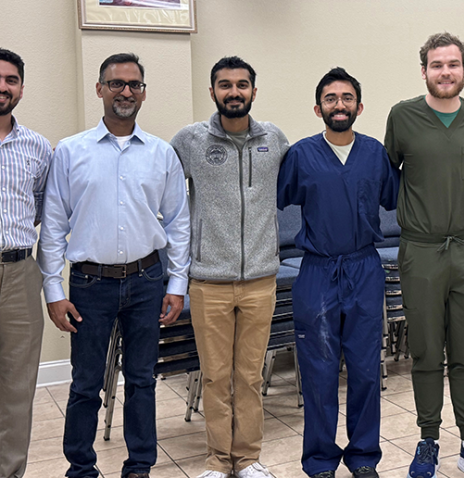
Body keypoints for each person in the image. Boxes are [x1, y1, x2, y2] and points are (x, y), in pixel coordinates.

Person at [37, 53, 190, 478]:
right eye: (117, 83)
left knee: (142, 380)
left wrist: (176, 284)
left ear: (143, 93)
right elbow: (52, 226)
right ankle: (81, 468)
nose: (126, 91)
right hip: (90, 284)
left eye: (134, 85)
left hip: (147, 282)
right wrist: (54, 291)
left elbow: (179, 223)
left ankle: (139, 465)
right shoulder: (70, 151)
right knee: (86, 384)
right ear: (100, 89)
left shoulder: (162, 154)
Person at [384, 32, 464, 478]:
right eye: (437, 65)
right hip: (422, 251)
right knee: (428, 351)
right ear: (424, 71)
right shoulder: (403, 116)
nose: (445, 72)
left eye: (453, 64)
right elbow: (387, 175)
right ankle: (428, 439)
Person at [277, 67, 399, 478]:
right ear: (318, 108)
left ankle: (364, 457)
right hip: (317, 272)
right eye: (331, 98)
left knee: (366, 369)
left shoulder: (375, 154)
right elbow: (277, 200)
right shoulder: (299, 155)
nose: (339, 105)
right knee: (319, 370)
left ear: (359, 106)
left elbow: (390, 199)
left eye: (347, 98)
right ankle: (321, 461)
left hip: (364, 267)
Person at [171, 56, 289, 478]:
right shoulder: (190, 141)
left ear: (254, 91)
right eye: (225, 85)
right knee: (217, 378)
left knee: (251, 377)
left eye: (242, 85)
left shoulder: (274, 139)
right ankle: (218, 461)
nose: (234, 92)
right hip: (209, 282)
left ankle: (249, 459)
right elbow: (166, 201)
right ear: (212, 92)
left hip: (260, 279)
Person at [0, 48, 53, 478]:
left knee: (17, 386)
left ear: (20, 88)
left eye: (11, 79)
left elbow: (39, 208)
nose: (3, 86)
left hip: (18, 273)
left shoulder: (38, 146)